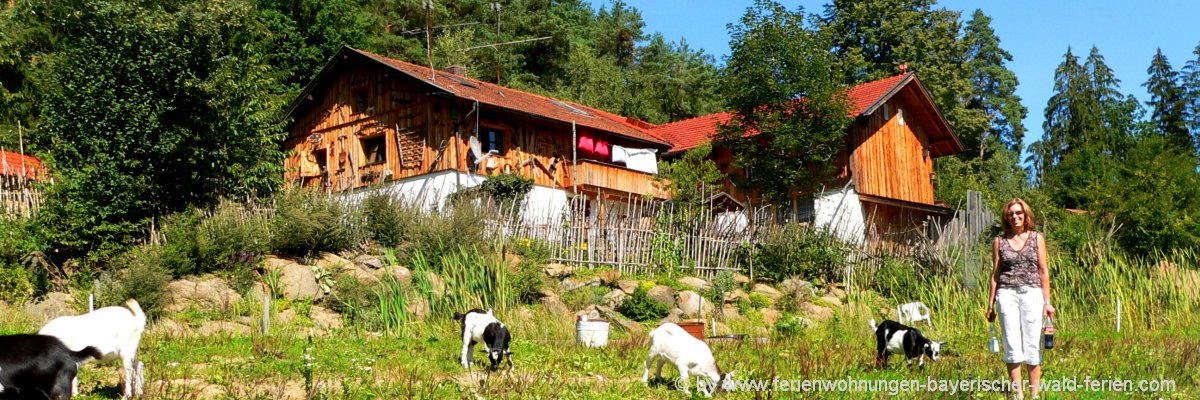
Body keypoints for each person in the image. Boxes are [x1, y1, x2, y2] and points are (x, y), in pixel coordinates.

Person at [986, 198, 1055, 400]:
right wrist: (990, 304)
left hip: (1032, 294)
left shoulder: (1036, 238)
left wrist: (1047, 302)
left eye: (1019, 213)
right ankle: (1017, 394)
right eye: (1011, 214)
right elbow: (995, 275)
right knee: (1011, 342)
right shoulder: (1000, 241)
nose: (1015, 217)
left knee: (1032, 341)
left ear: (1026, 216)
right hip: (1006, 295)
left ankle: (1035, 394)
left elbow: (1043, 271)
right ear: (1006, 218)